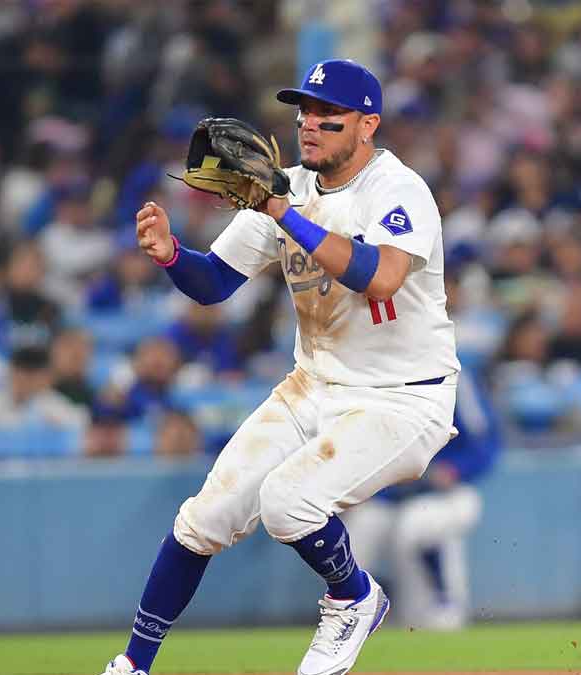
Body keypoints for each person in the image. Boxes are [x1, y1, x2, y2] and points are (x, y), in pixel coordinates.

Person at [101, 60, 460, 675]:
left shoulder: (397, 190)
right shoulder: (286, 188)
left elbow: (382, 278)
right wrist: (170, 257)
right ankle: (133, 666)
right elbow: (214, 283)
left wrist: (280, 210)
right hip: (313, 384)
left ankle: (353, 596)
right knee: (203, 519)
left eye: (328, 116)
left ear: (367, 125)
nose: (310, 125)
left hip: (403, 399)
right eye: (303, 113)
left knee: (288, 502)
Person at [342, 369, 500, 630]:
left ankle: (445, 603)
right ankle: (370, 608)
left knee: (417, 524)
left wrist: (456, 468)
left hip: (448, 494)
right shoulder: (378, 379)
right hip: (389, 496)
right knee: (351, 538)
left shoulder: (454, 377)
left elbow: (487, 443)